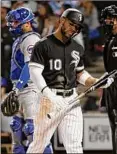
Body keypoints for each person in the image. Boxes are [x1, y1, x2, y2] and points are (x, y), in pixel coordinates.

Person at [26, 8, 114, 154]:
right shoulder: (43, 45)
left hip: (72, 98)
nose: (74, 29)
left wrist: (96, 81)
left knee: (74, 146)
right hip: (48, 100)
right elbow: (34, 72)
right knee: (38, 145)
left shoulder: (77, 48)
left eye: (78, 27)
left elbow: (79, 74)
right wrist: (49, 95)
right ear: (62, 20)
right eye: (72, 24)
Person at [5, 7, 53, 154]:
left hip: (31, 88)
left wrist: (17, 88)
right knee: (17, 128)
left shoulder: (31, 38)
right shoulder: (20, 39)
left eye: (15, 22)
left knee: (34, 132)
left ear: (27, 23)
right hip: (20, 88)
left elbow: (30, 66)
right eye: (12, 22)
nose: (12, 25)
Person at [100, 5, 117, 154]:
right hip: (112, 89)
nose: (111, 22)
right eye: (109, 18)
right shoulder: (109, 40)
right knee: (114, 127)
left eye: (114, 18)